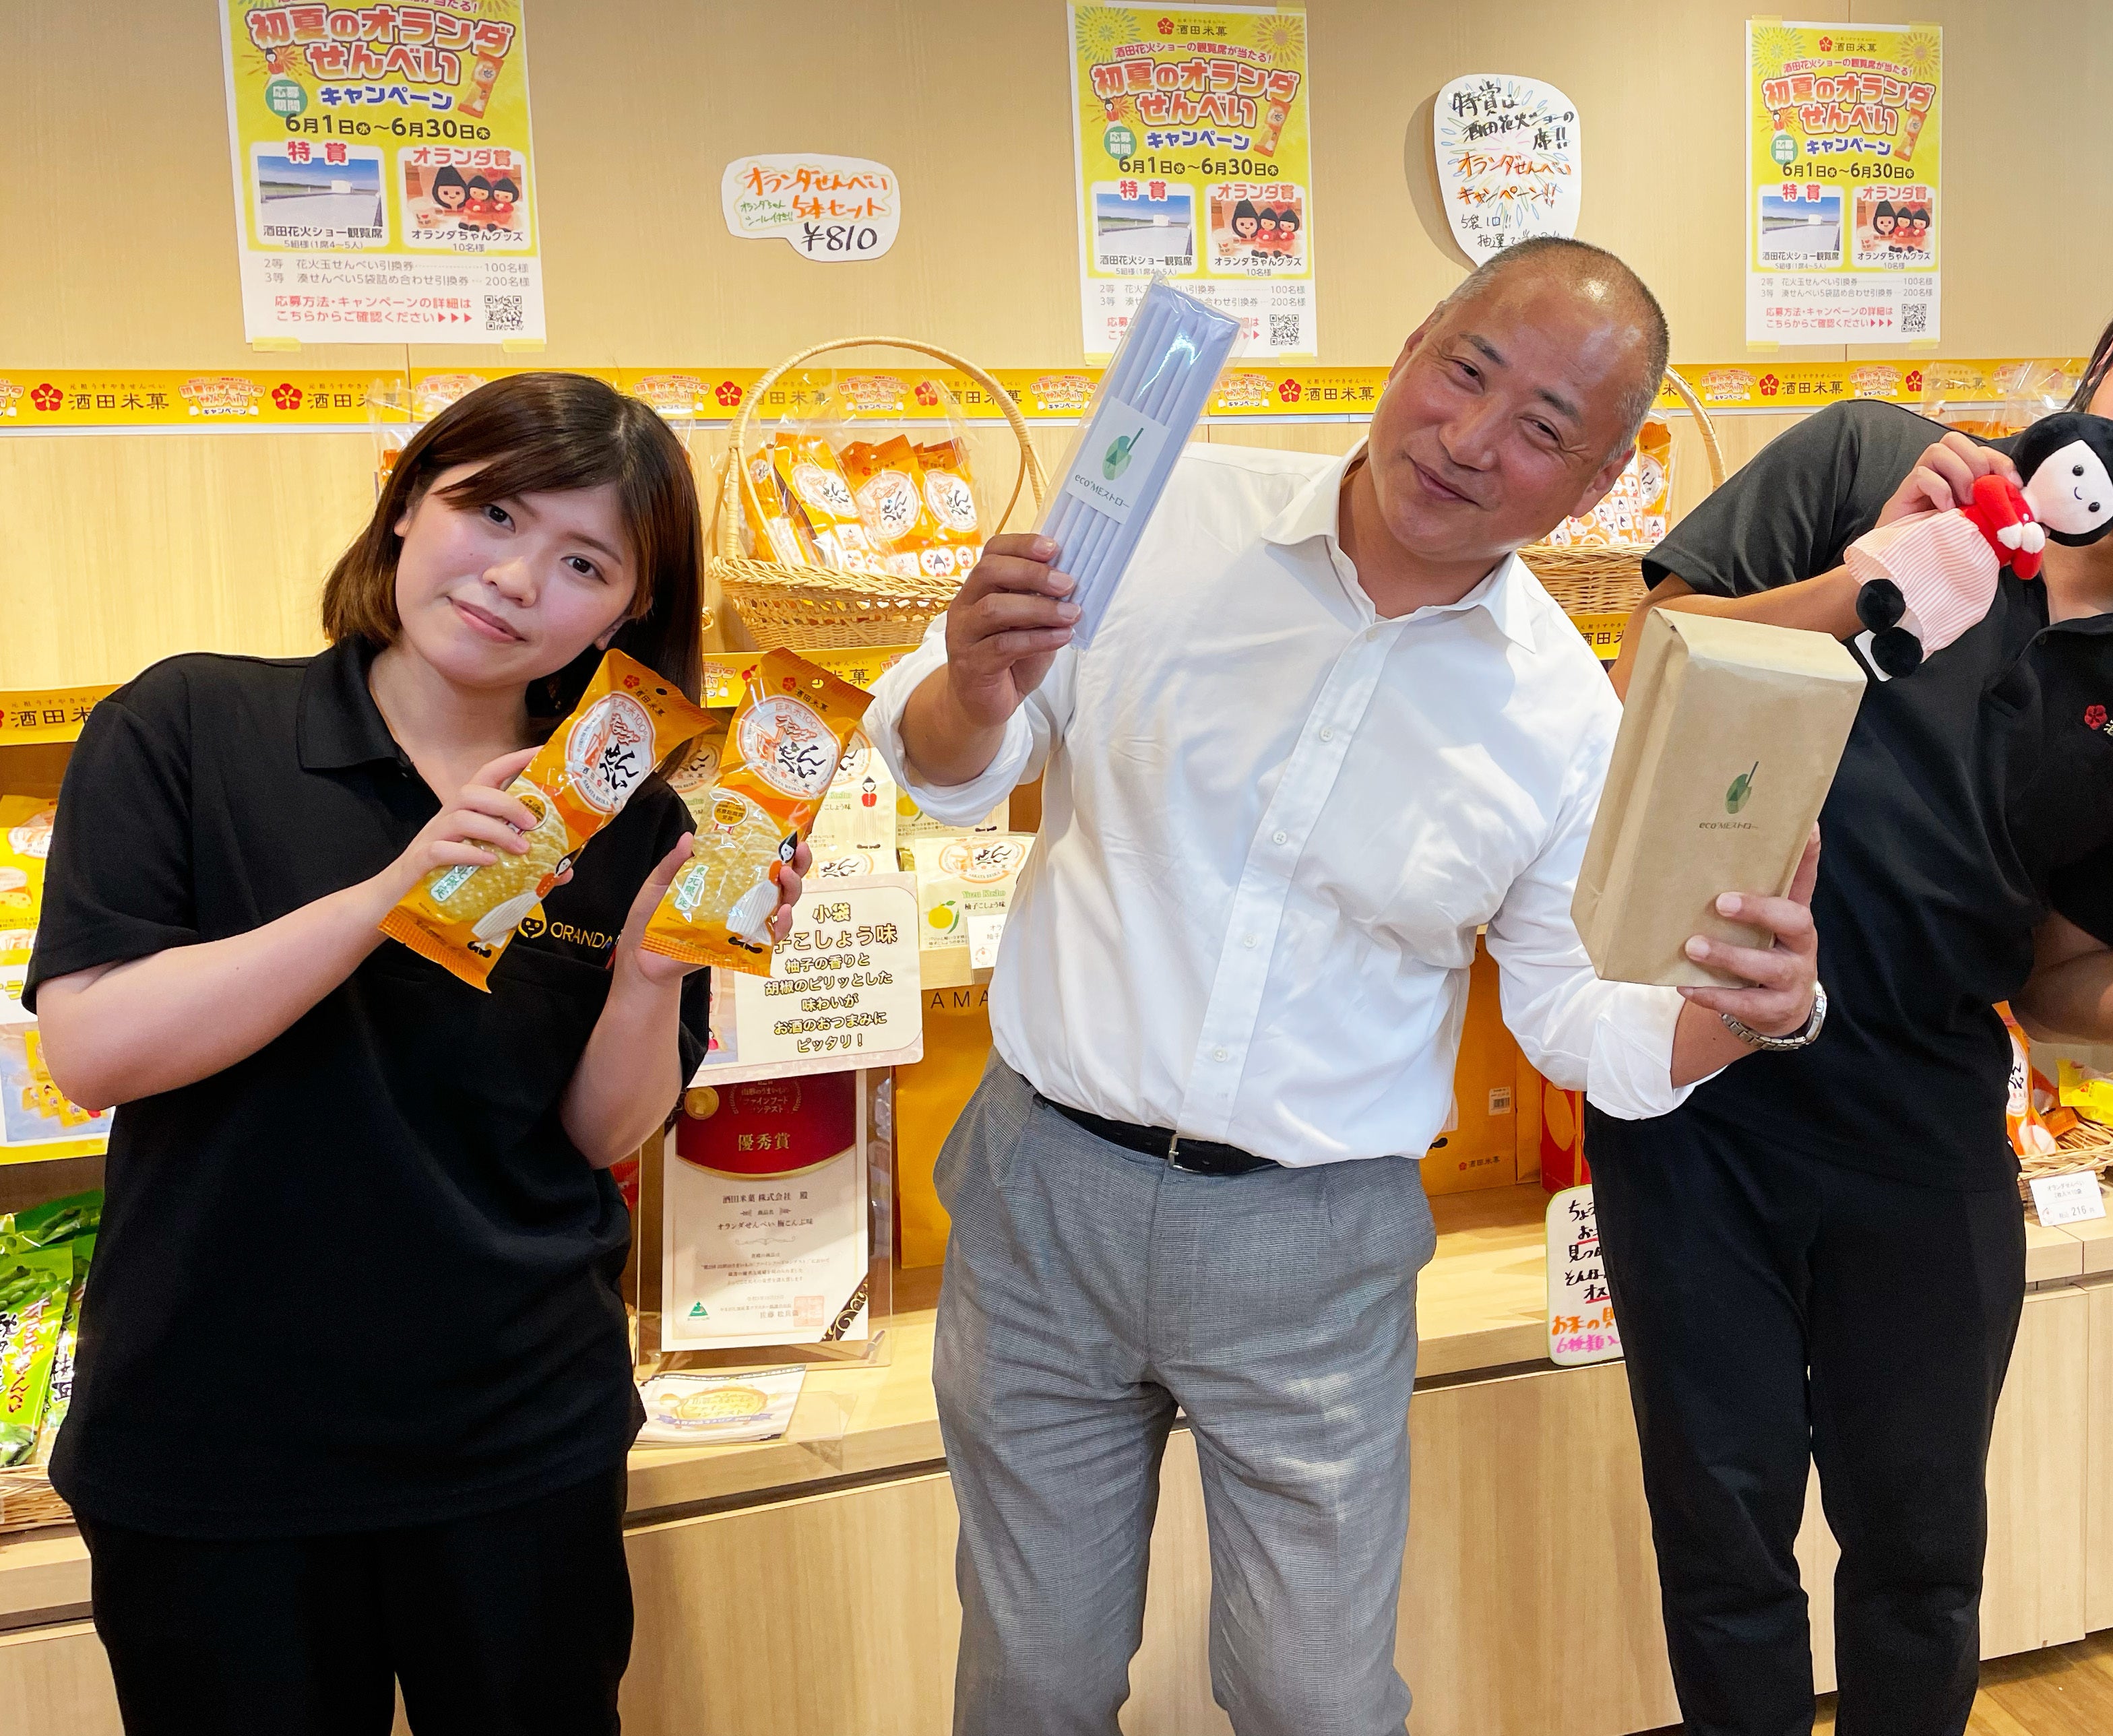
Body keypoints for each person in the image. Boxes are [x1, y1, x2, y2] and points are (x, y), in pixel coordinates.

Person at [869, 236, 1824, 1736]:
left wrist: (1743, 1012)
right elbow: (947, 764)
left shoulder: (1564, 715)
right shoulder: (1163, 512)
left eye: (1542, 429)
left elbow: (1575, 1015)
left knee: (1313, 1697)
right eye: (1466, 369)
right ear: (1412, 342)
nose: (1470, 437)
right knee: (1031, 1677)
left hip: (1313, 1246)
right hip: (1043, 1189)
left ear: (1596, 488)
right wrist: (973, 685)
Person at [1593, 243, 2113, 1736]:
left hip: (1925, 1136)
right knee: (1723, 1543)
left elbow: (2061, 978)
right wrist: (1872, 581)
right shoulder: (1870, 460)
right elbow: (1647, 661)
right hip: (1697, 1101)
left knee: (1922, 1555)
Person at [26, 373, 805, 1736]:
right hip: (215, 1443)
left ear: (626, 613)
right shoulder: (190, 725)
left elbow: (596, 1134)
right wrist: (389, 893)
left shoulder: (629, 812)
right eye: (489, 511)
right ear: (404, 505)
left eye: (584, 562)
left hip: (520, 1433)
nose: (516, 577)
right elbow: (93, 1047)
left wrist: (651, 975)